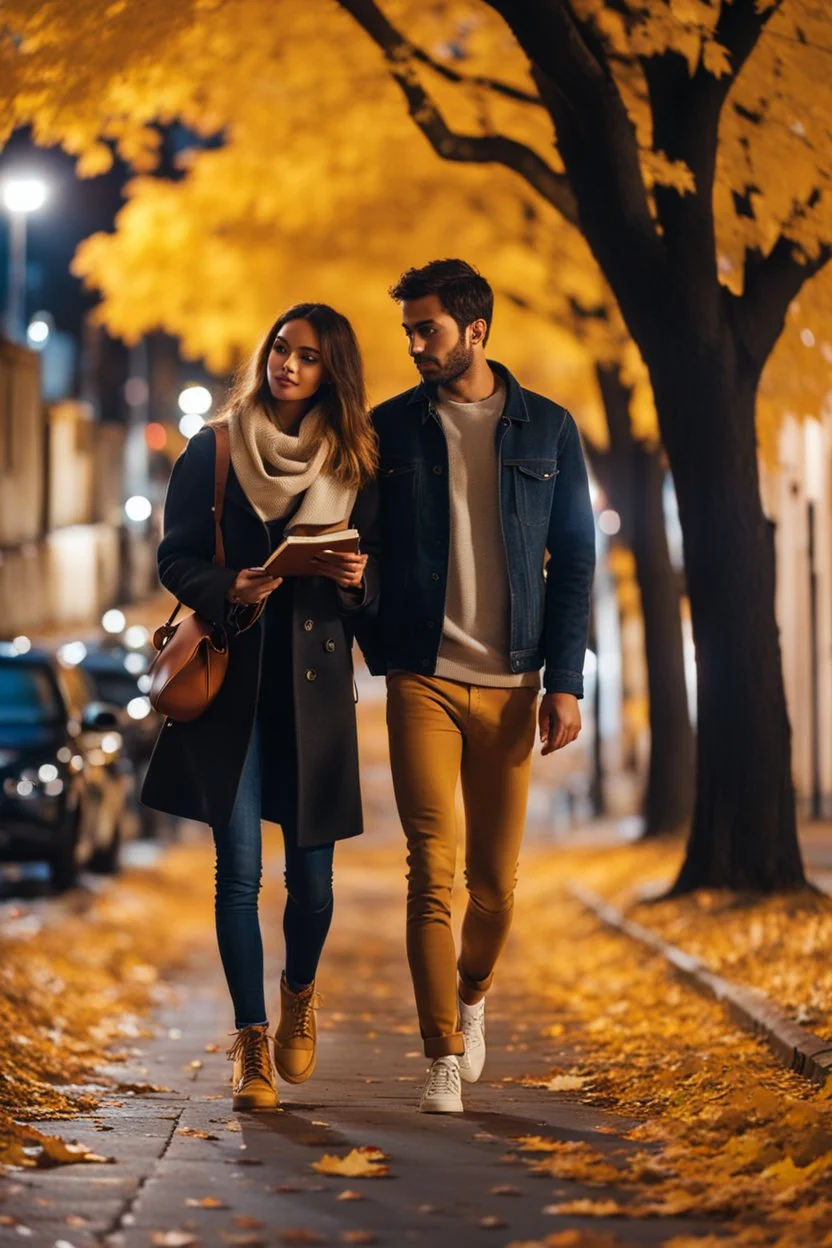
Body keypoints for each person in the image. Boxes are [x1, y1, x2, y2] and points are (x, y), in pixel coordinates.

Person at [367, 259, 595, 1113]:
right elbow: (362, 549)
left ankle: (471, 996)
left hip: (512, 682)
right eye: (409, 332)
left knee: (494, 887)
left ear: (476, 330)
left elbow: (575, 560)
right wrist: (377, 635)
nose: (416, 345)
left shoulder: (551, 429)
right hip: (421, 678)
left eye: (427, 329)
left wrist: (564, 682)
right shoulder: (391, 428)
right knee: (432, 869)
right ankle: (440, 1055)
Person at [142, 303, 378, 1111]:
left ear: (330, 373)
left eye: (308, 357)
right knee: (237, 874)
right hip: (230, 683)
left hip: (311, 693)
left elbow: (371, 585)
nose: (288, 365)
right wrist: (229, 585)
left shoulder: (352, 460)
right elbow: (173, 556)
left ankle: (299, 993)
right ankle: (250, 1047)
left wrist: (356, 585)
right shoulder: (211, 448)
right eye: (281, 349)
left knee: (312, 885)